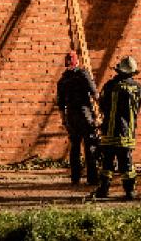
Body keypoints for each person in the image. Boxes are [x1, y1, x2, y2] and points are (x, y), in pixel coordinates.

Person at [94, 56, 141, 200]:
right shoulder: (138, 88)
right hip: (127, 131)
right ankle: (130, 191)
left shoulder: (109, 86)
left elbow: (102, 105)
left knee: (107, 163)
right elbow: (137, 108)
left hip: (109, 129)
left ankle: (103, 190)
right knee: (126, 162)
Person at [55, 51, 99, 185]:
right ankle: (92, 178)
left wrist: (64, 120)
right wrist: (100, 112)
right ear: (77, 61)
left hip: (71, 116)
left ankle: (75, 178)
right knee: (89, 145)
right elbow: (94, 93)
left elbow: (61, 104)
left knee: (74, 146)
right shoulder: (83, 74)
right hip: (84, 113)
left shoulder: (62, 80)